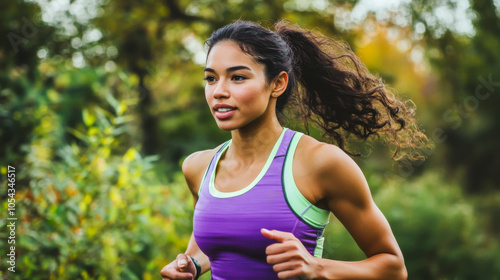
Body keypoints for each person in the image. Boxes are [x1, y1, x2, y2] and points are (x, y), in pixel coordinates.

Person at [161, 19, 426, 280]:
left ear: (278, 83)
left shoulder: (321, 163)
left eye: (237, 77)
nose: (218, 91)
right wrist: (192, 265)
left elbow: (393, 267)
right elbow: (217, 245)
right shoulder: (198, 168)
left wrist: (317, 267)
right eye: (210, 79)